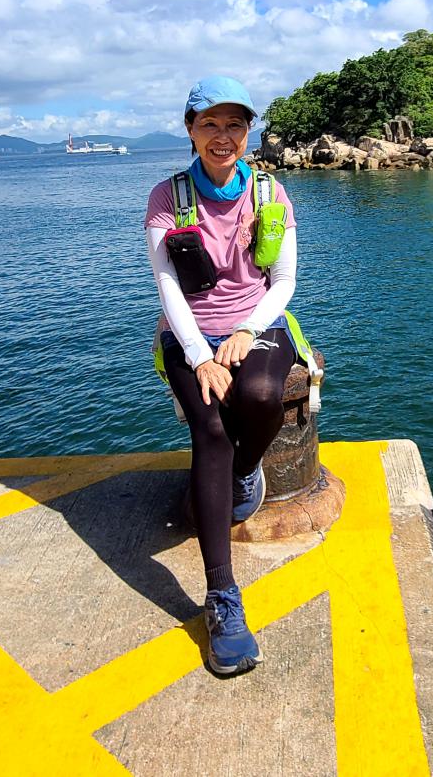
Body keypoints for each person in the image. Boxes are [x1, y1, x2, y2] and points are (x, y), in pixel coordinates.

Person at [145, 75, 300, 677]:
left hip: (256, 322)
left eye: (235, 124)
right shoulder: (167, 197)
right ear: (190, 129)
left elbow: (282, 281)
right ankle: (222, 598)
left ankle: (243, 473)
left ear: (248, 132)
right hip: (189, 333)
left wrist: (246, 332)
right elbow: (167, 284)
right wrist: (200, 355)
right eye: (209, 123)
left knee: (260, 395)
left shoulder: (270, 192)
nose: (222, 135)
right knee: (210, 428)